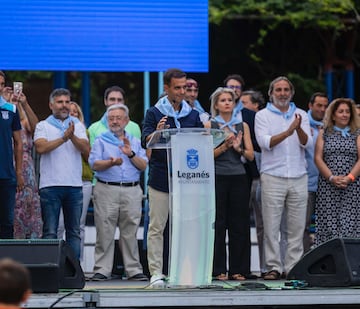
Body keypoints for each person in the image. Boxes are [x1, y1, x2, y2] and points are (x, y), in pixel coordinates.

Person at [141, 68, 203, 287]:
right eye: (177, 88)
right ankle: (156, 272)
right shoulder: (155, 112)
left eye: (184, 87)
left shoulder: (193, 114)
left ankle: (183, 270)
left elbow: (201, 141)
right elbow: (145, 141)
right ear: (166, 88)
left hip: (186, 180)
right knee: (157, 227)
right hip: (160, 178)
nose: (182, 92)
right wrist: (155, 133)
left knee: (185, 226)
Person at [255, 76, 311, 280]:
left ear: (292, 92)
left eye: (286, 89)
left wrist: (297, 129)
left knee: (296, 227)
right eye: (278, 90)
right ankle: (272, 267)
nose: (282, 93)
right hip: (273, 176)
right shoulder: (262, 115)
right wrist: (288, 131)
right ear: (271, 93)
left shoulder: (301, 114)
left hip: (298, 175)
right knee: (271, 226)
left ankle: (293, 266)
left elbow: (307, 143)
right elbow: (264, 142)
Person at [88, 103, 148, 282]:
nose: (114, 121)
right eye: (111, 118)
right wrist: (110, 163)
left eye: (118, 118)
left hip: (131, 189)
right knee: (104, 231)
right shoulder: (100, 139)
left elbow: (144, 165)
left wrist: (130, 154)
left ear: (126, 120)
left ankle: (133, 270)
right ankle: (102, 270)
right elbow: (94, 164)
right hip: (107, 188)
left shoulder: (135, 141)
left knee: (130, 231)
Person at [34, 88, 89, 260]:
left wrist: (71, 136)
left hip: (74, 185)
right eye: (60, 102)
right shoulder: (42, 125)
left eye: (67, 102)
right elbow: (41, 148)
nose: (64, 105)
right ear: (51, 105)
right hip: (50, 186)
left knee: (73, 232)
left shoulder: (77, 125)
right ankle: (50, 271)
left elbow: (86, 149)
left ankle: (73, 273)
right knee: (50, 231)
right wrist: (64, 138)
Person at [205, 87, 254, 281]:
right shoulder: (210, 125)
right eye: (223, 100)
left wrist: (238, 147)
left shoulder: (242, 126)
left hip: (239, 177)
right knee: (218, 223)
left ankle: (238, 269)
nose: (227, 103)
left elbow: (250, 155)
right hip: (218, 176)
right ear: (216, 104)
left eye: (230, 100)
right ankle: (218, 270)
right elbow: (206, 155)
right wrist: (224, 146)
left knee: (239, 224)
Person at [314, 98, 360, 246]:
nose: (345, 115)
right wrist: (332, 177)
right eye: (341, 111)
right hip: (328, 186)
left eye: (347, 112)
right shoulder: (324, 132)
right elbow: (318, 158)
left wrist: (350, 178)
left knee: (350, 223)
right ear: (333, 115)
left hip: (352, 186)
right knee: (329, 223)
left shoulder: (357, 133)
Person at [58, 102, 93, 261]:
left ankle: (77, 265)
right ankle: (56, 263)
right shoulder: (53, 131)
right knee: (59, 226)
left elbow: (88, 157)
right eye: (69, 113)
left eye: (75, 114)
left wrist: (74, 137)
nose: (72, 117)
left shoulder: (85, 132)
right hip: (60, 182)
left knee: (78, 226)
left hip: (82, 182)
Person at [240, 90, 268, 276]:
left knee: (263, 224)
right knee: (244, 223)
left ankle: (267, 267)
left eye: (244, 103)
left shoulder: (260, 124)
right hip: (242, 178)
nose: (239, 107)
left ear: (256, 105)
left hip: (260, 178)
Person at [10, 91, 43, 239]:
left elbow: (36, 128)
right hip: (8, 164)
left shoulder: (24, 123)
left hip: (26, 169)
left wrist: (24, 103)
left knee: (28, 208)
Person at [303, 92, 328, 252]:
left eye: (325, 106)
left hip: (328, 184)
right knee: (302, 226)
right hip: (306, 184)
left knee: (327, 226)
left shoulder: (331, 125)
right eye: (319, 105)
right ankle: (302, 262)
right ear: (310, 106)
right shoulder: (301, 123)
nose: (322, 109)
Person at [0, 72, 23, 239]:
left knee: (7, 223)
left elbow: (18, 142)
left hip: (6, 175)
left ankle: (5, 264)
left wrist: (19, 172)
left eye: (1, 84)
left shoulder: (11, 109)